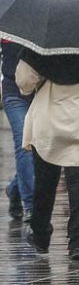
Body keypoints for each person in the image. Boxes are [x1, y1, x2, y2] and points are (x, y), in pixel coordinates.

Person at [16, 50, 79, 261]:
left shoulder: (39, 46)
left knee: (46, 181)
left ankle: (41, 236)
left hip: (50, 118)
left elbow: (24, 82)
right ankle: (77, 243)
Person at [1, 40, 33, 222]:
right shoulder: (8, 20)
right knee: (24, 146)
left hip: (41, 92)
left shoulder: (46, 21)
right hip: (14, 91)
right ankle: (30, 206)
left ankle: (15, 188)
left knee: (43, 151)